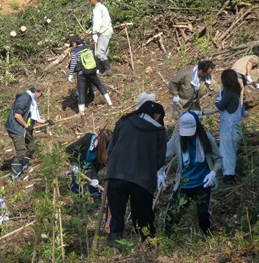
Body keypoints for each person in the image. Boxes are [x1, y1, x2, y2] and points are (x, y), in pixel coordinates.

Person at [105, 101, 166, 243]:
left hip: (116, 174)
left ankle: (115, 246)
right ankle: (147, 243)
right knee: (143, 217)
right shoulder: (158, 131)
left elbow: (110, 149)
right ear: (157, 116)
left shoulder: (124, 120)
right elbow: (159, 160)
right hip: (142, 180)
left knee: (115, 214)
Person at [161, 112, 222, 237]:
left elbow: (218, 160)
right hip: (184, 184)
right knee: (172, 215)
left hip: (203, 183)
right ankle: (167, 238)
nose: (188, 136)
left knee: (203, 214)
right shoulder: (177, 140)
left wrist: (213, 173)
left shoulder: (207, 138)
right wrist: (160, 173)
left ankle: (207, 235)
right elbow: (161, 156)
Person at [199, 69, 243, 185]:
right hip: (233, 126)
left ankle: (229, 176)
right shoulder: (235, 91)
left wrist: (201, 113)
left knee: (227, 151)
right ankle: (228, 173)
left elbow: (218, 108)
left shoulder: (229, 93)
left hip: (230, 127)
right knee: (229, 150)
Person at [4, 84, 54, 179]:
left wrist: (46, 121)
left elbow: (33, 117)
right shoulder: (25, 98)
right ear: (36, 91)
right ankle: (15, 175)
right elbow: (17, 115)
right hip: (17, 129)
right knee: (21, 152)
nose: (41, 97)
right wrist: (26, 126)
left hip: (24, 128)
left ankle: (23, 167)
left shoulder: (30, 99)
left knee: (31, 147)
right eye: (41, 94)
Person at [68, 36, 113, 114]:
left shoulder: (75, 51)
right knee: (99, 85)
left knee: (81, 92)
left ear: (74, 43)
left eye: (72, 44)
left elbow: (73, 63)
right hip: (92, 71)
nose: (72, 45)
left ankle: (82, 113)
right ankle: (109, 102)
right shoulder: (89, 48)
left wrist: (70, 74)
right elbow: (94, 58)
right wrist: (97, 68)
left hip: (82, 74)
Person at [66, 129, 112, 203]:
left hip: (89, 167)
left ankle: (97, 203)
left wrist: (94, 178)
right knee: (77, 184)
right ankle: (78, 203)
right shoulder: (88, 138)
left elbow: (95, 166)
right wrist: (74, 164)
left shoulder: (102, 152)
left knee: (93, 186)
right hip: (78, 164)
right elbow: (69, 149)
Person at [90, 0, 114, 76]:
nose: (90, 1)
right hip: (107, 31)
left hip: (104, 32)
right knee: (104, 52)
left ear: (94, 0)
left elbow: (97, 22)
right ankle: (104, 70)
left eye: (91, 0)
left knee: (100, 53)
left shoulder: (97, 9)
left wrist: (94, 32)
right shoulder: (102, 7)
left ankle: (107, 70)